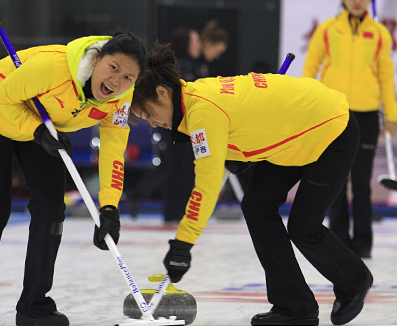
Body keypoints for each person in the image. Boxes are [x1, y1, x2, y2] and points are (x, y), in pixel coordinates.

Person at [130, 44, 373, 326]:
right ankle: (295, 306)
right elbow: (249, 119)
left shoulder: (202, 112)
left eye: (148, 114)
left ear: (162, 93)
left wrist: (183, 244)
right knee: (257, 205)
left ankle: (354, 279)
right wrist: (237, 152)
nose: (153, 124)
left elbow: (206, 188)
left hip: (331, 128)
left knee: (304, 227)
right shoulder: (195, 97)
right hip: (294, 131)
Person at [0, 32, 147, 326]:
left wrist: (110, 207)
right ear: (97, 59)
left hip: (44, 125)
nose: (117, 82)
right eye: (113, 68)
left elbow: (113, 149)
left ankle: (34, 307)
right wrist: (35, 131)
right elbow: (2, 98)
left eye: (128, 77)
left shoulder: (120, 99)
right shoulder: (54, 68)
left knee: (51, 210)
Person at [302, 0, 397, 259]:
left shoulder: (380, 33)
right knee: (335, 180)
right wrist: (308, 106)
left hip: (368, 115)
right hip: (334, 113)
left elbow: (386, 76)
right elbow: (310, 69)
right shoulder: (327, 30)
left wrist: (391, 115)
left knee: (361, 182)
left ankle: (364, 243)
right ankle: (339, 240)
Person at [161, 27, 202, 222]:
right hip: (177, 125)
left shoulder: (193, 64)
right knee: (177, 168)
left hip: (188, 125)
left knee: (185, 169)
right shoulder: (179, 66)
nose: (198, 45)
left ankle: (179, 211)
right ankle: (173, 212)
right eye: (194, 41)